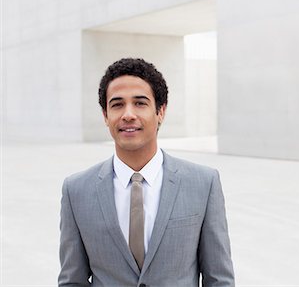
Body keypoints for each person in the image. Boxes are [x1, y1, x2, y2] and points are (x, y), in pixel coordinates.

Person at [58, 58, 235, 286]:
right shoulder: (76, 191)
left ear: (160, 111)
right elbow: (72, 281)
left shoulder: (203, 183)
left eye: (140, 103)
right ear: (105, 116)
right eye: (117, 104)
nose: (128, 114)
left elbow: (219, 279)